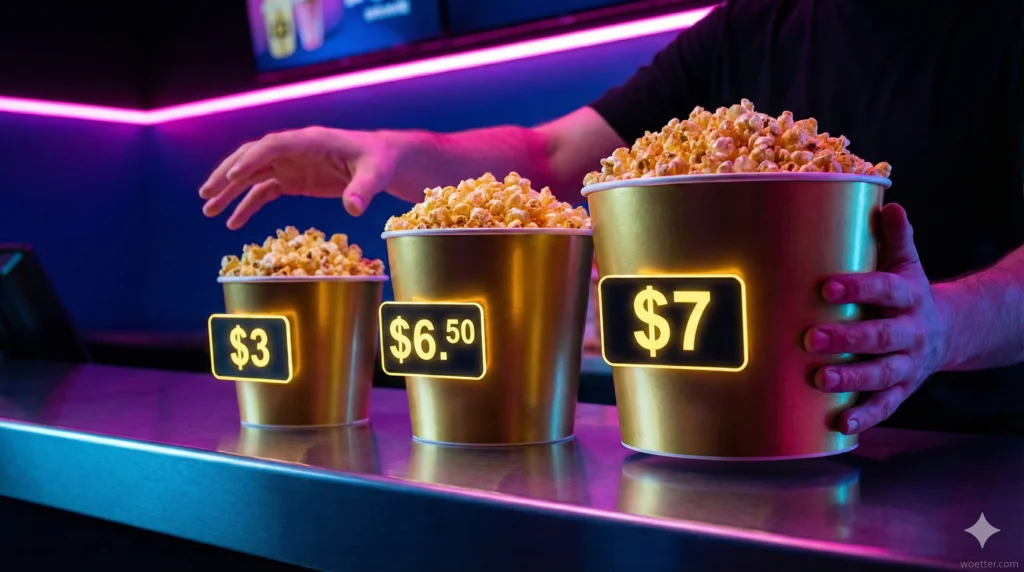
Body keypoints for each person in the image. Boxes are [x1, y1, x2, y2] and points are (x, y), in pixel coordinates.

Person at [200, 0, 1024, 437]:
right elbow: (554, 157)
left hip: (976, 461)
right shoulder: (748, 27)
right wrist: (393, 151)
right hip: (739, 448)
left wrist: (942, 327)